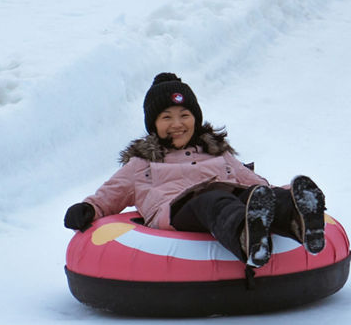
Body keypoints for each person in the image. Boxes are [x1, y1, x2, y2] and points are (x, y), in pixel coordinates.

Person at [64, 72, 326, 268]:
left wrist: (284, 194)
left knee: (250, 195)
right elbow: (110, 194)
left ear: (196, 118)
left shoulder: (217, 152)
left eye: (184, 115)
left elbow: (255, 185)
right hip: (178, 208)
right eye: (166, 117)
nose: (177, 124)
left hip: (227, 195)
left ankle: (299, 220)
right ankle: (247, 237)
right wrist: (88, 208)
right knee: (212, 199)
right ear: (153, 124)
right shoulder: (142, 164)